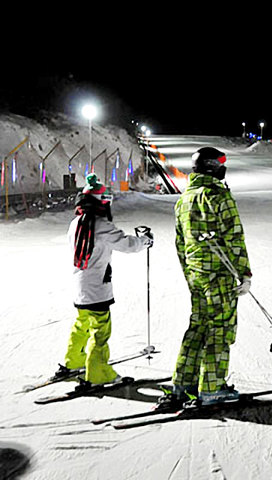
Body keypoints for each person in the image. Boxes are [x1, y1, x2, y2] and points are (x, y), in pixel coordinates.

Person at [162, 147, 252, 408]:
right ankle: (212, 388)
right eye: (222, 163)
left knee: (198, 326)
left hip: (196, 274)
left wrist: (190, 274)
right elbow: (234, 237)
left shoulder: (184, 199)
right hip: (219, 275)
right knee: (220, 329)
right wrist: (244, 273)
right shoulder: (217, 196)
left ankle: (184, 383)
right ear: (213, 167)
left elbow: (180, 243)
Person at [60, 173, 153, 387]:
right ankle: (98, 373)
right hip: (96, 287)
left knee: (82, 323)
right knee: (100, 329)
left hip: (81, 286)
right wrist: (145, 241)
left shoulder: (76, 222)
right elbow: (127, 244)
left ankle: (73, 360)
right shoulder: (99, 224)